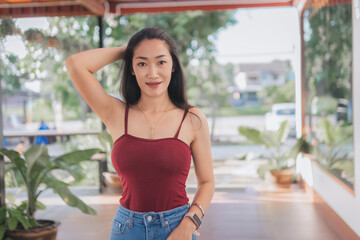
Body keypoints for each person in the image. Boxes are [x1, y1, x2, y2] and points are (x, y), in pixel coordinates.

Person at [66, 27, 215, 240]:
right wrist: (126, 51)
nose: (152, 73)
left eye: (161, 62)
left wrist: (189, 223)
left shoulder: (192, 118)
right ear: (132, 69)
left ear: (173, 66)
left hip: (177, 228)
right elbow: (75, 64)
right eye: (142, 63)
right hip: (127, 229)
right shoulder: (115, 113)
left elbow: (207, 182)